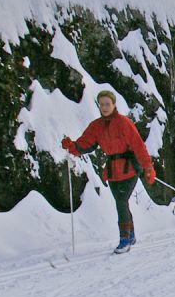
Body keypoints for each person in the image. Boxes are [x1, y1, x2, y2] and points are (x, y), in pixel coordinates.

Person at [62, 90, 156, 253]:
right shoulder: (96, 126)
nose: (104, 107)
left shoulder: (124, 123)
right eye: (102, 104)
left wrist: (148, 167)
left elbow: (138, 145)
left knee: (121, 201)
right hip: (113, 171)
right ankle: (131, 235)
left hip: (130, 169)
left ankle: (125, 238)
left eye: (107, 104)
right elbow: (86, 143)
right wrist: (72, 146)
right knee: (121, 202)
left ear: (114, 105)